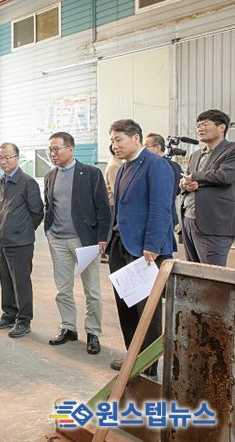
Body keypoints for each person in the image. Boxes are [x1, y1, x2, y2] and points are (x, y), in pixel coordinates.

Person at [106, 119, 175, 377]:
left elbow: (161, 207)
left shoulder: (156, 165)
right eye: (113, 140)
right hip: (121, 244)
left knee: (147, 309)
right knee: (126, 304)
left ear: (136, 138)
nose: (115, 146)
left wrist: (152, 245)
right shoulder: (124, 167)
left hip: (145, 250)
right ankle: (132, 355)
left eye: (119, 140)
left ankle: (148, 364)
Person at [43, 132, 110, 354]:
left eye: (56, 149)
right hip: (58, 240)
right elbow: (49, 206)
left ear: (70, 149)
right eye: (50, 150)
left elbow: (103, 207)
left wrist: (102, 238)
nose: (53, 154)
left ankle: (93, 332)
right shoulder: (50, 176)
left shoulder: (90, 173)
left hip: (85, 240)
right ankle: (68, 327)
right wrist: (49, 230)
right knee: (63, 289)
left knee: (92, 290)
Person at [0, 143, 44, 338]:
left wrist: (23, 230)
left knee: (21, 282)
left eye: (8, 158)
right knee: (6, 280)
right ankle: (9, 315)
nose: (4, 161)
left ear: (17, 158)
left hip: (20, 243)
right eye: (1, 158)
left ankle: (23, 320)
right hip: (2, 240)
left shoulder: (27, 182)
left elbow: (37, 212)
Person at [179, 109, 235, 266]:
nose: (200, 129)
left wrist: (195, 177)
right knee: (193, 271)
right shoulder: (195, 155)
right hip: (189, 219)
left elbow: (224, 176)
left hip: (213, 224)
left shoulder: (231, 150)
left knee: (211, 272)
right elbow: (187, 177)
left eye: (204, 124)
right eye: (198, 126)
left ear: (222, 127)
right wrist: (185, 184)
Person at [144, 133, 183, 227]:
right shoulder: (175, 166)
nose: (144, 150)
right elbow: (178, 189)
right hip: (167, 216)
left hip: (159, 218)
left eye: (146, 146)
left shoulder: (159, 166)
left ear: (158, 148)